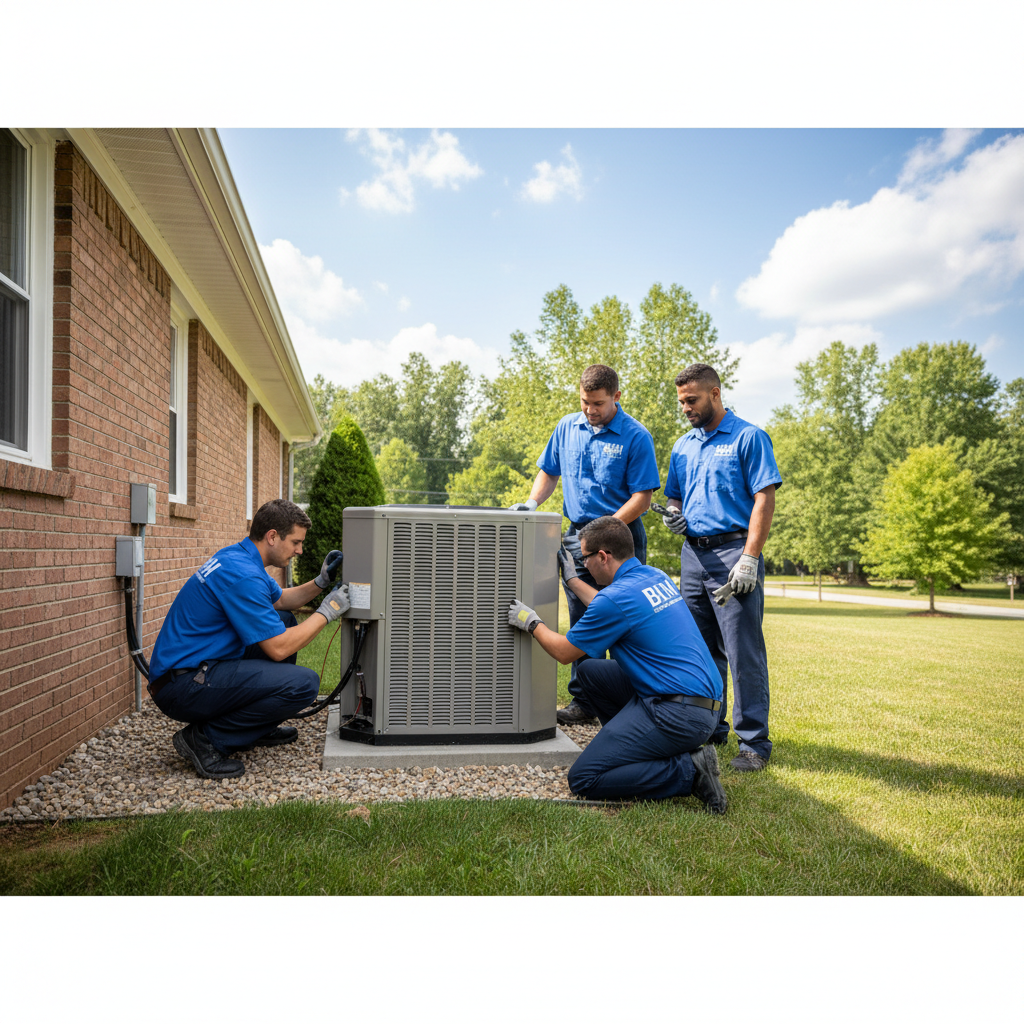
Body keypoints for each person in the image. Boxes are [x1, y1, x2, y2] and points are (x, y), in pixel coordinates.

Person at [507, 516, 727, 811]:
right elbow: (612, 606)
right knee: (590, 671)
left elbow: (564, 652)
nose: (583, 565)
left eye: (584, 558)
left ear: (603, 556)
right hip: (703, 703)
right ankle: (634, 751)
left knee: (584, 778)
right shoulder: (654, 576)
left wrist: (531, 622)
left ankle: (690, 770)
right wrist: (572, 581)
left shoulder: (614, 600)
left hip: (678, 715)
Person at [148, 498, 351, 780]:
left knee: (283, 619)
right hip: (183, 685)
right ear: (272, 536)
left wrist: (321, 582)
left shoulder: (238, 557)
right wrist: (328, 611)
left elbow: (280, 600)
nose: (300, 550)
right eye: (295, 542)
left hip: (193, 669)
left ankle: (256, 726)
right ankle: (205, 740)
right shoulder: (243, 575)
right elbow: (278, 648)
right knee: (303, 684)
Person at [508, 364, 661, 727]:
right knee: (583, 617)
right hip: (576, 535)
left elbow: (642, 497)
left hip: (620, 537)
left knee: (624, 619)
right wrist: (532, 502)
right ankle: (585, 702)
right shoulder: (567, 427)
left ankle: (629, 701)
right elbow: (549, 471)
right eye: (584, 402)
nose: (590, 410)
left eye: (598, 403)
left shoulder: (636, 436)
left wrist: (604, 531)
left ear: (616, 397)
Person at [661, 363, 782, 771]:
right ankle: (710, 728)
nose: (685, 408)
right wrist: (673, 514)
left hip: (734, 554)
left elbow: (764, 497)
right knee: (699, 650)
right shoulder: (683, 446)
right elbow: (675, 496)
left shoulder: (749, 437)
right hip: (692, 557)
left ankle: (754, 744)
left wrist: (750, 557)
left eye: (691, 400)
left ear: (715, 393)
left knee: (742, 651)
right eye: (681, 402)